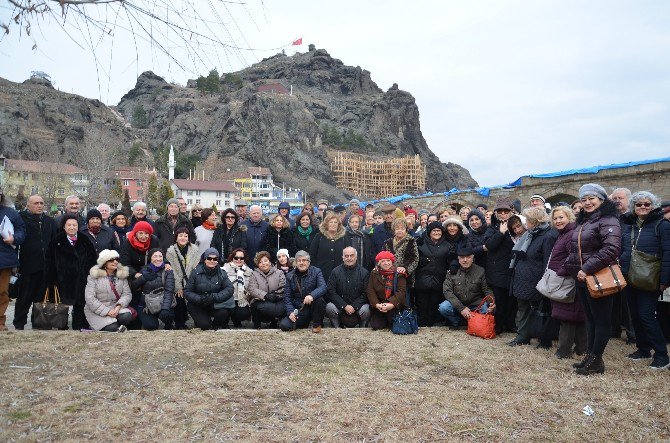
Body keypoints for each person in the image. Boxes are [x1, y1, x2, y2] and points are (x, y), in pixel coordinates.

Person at [565, 184, 622, 375]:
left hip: (598, 276)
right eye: (584, 199)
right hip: (583, 278)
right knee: (591, 320)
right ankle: (590, 357)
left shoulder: (608, 219)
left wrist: (586, 268)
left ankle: (596, 360)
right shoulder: (585, 221)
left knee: (601, 320)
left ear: (602, 199)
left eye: (592, 198)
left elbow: (611, 249)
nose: (587, 202)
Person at [620, 191, 670, 369]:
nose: (642, 207)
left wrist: (665, 279)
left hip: (651, 277)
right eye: (639, 204)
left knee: (647, 316)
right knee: (635, 315)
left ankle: (662, 354)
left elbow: (668, 253)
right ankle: (643, 349)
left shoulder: (662, 225)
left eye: (646, 204)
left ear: (653, 206)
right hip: (629, 275)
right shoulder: (630, 225)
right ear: (634, 206)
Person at [508, 207, 557, 347]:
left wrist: (543, 282)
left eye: (527, 220)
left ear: (534, 221)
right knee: (523, 308)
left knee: (539, 311)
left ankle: (543, 338)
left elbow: (547, 261)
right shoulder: (531, 234)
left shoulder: (547, 236)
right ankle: (522, 336)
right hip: (523, 279)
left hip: (535, 280)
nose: (525, 224)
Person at [45, 214, 97, 330]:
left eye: (74, 225)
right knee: (62, 303)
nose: (72, 227)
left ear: (78, 226)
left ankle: (79, 326)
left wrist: (88, 274)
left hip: (81, 279)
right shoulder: (57, 240)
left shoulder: (84, 239)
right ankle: (61, 325)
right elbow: (49, 260)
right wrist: (52, 279)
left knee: (80, 304)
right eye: (69, 225)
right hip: (62, 279)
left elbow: (92, 258)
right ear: (64, 227)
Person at [548, 206, 586, 359]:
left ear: (569, 217)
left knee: (568, 317)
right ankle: (582, 348)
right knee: (576, 316)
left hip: (568, 281)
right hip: (568, 280)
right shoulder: (564, 234)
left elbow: (574, 258)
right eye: (555, 218)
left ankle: (564, 351)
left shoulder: (570, 234)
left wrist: (560, 272)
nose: (558, 221)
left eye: (561, 217)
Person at [14, 195, 56, 330]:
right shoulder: (20, 219)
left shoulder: (49, 221)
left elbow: (55, 242)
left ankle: (38, 324)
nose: (39, 206)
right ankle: (19, 325)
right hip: (28, 266)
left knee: (41, 299)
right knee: (24, 298)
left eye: (41, 203)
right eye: (36, 203)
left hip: (46, 267)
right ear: (28, 204)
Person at [439, 246, 495, 328]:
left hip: (475, 303)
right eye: (462, 257)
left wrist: (491, 303)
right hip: (458, 303)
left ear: (472, 258)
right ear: (458, 259)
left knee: (487, 309)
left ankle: (474, 323)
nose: (465, 260)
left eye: (468, 257)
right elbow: (447, 292)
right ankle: (457, 322)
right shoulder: (452, 272)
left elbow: (487, 289)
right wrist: (461, 308)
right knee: (443, 307)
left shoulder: (480, 271)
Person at [483, 198, 516, 334]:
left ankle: (510, 324)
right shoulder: (492, 229)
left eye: (506, 211)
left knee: (511, 301)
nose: (503, 213)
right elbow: (489, 245)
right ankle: (498, 326)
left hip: (511, 269)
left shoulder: (515, 226)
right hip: (496, 270)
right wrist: (501, 233)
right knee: (499, 301)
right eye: (500, 211)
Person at [119, 220, 161, 322]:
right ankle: (135, 321)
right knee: (135, 298)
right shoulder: (127, 242)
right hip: (132, 273)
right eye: (141, 233)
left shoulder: (154, 240)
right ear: (135, 233)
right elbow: (124, 262)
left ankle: (149, 317)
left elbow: (158, 254)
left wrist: (166, 263)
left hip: (149, 270)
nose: (144, 236)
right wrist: (135, 274)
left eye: (146, 233)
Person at [184, 248, 235, 330]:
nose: (212, 261)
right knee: (204, 325)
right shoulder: (195, 272)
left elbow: (229, 289)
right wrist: (200, 299)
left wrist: (214, 297)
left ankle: (215, 325)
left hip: (214, 303)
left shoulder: (222, 273)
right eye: (209, 258)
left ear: (218, 260)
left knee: (223, 312)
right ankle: (201, 321)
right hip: (198, 304)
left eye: (215, 259)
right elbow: (187, 291)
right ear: (204, 259)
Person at [84, 249, 133, 332]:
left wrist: (118, 306)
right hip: (97, 309)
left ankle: (117, 325)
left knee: (126, 316)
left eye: (116, 260)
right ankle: (111, 326)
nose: (115, 262)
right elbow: (90, 299)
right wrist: (108, 311)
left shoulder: (121, 275)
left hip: (115, 306)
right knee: (112, 328)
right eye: (111, 260)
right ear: (104, 263)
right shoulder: (93, 277)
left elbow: (127, 294)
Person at [279, 250, 327, 332]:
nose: (301, 263)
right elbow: (287, 297)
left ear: (309, 262)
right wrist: (290, 312)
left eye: (304, 260)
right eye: (299, 261)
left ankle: (317, 325)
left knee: (320, 300)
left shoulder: (316, 271)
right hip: (300, 309)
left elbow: (323, 287)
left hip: (314, 307)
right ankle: (304, 323)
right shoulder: (290, 276)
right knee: (284, 325)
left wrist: (312, 295)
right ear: (296, 263)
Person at [610, 187, 635, 343]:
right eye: (615, 199)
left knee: (628, 302)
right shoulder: (611, 218)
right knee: (613, 300)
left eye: (620, 198)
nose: (617, 201)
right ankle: (614, 329)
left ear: (628, 200)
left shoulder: (633, 218)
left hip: (628, 265)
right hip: (611, 264)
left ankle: (632, 333)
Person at [130, 248, 176, 330]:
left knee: (167, 315)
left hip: (162, 302)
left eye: (160, 256)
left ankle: (169, 324)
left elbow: (169, 291)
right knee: (151, 326)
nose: (158, 259)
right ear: (150, 258)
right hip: (147, 304)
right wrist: (143, 278)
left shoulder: (168, 271)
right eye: (155, 256)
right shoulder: (144, 269)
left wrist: (165, 308)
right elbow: (134, 286)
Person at [414, 221, 450, 326]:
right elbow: (414, 259)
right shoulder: (420, 243)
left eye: (438, 230)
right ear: (429, 232)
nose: (436, 232)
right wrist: (421, 262)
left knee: (434, 303)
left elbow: (449, 260)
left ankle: (432, 323)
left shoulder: (447, 245)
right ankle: (422, 323)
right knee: (422, 303)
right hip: (422, 280)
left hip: (439, 279)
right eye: (434, 230)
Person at [0, 188, 26, 331]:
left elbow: (22, 230)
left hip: (4, 260)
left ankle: (0, 322)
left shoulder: (11, 213)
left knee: (2, 292)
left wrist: (14, 238)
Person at [326, 247, 370, 328]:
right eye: (346, 256)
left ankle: (363, 329)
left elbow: (366, 293)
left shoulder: (364, 273)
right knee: (329, 307)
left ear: (356, 257)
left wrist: (354, 306)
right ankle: (337, 328)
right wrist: (344, 305)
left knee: (366, 309)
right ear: (342, 257)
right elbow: (331, 291)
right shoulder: (335, 271)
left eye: (352, 255)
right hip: (340, 306)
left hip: (358, 307)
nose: (349, 258)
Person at [165, 227, 199, 330]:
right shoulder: (171, 251)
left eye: (185, 236)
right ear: (176, 238)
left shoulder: (194, 249)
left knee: (195, 300)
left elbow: (196, 266)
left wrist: (192, 283)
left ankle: (198, 321)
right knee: (179, 298)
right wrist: (178, 286)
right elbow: (173, 270)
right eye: (180, 236)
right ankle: (180, 323)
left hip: (192, 280)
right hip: (177, 281)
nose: (183, 238)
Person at [366, 251, 407, 330]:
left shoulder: (399, 274)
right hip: (380, 304)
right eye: (383, 261)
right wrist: (377, 304)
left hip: (394, 304)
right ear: (379, 263)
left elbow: (401, 291)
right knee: (376, 326)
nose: (386, 263)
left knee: (394, 324)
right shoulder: (374, 273)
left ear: (392, 261)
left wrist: (391, 304)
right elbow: (370, 290)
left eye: (388, 260)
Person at [248, 251, 286, 329]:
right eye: (260, 262)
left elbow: (283, 286)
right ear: (257, 264)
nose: (263, 263)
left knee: (281, 306)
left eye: (265, 261)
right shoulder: (254, 274)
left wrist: (275, 294)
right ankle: (257, 324)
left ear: (269, 262)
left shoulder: (279, 272)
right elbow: (252, 289)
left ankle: (274, 322)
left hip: (276, 299)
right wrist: (265, 295)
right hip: (260, 300)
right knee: (255, 305)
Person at [309, 212, 351, 281]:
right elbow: (312, 254)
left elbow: (348, 254)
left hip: (340, 273)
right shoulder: (319, 236)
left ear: (339, 224)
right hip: (321, 273)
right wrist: (316, 269)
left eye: (335, 222)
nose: (333, 224)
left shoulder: (344, 237)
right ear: (326, 224)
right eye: (331, 222)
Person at [383, 217, 419, 287]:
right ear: (394, 230)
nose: (400, 231)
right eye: (397, 228)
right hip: (389, 275)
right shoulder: (387, 242)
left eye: (402, 228)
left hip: (405, 277)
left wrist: (405, 268)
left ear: (406, 230)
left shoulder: (411, 241)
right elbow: (382, 257)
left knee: (405, 296)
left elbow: (415, 259)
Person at [222, 248, 253, 327]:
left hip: (241, 299)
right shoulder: (224, 269)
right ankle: (224, 321)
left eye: (241, 258)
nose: (238, 260)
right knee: (224, 311)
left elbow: (251, 287)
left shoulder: (249, 271)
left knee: (243, 314)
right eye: (236, 258)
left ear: (244, 259)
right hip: (227, 299)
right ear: (232, 258)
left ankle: (236, 320)